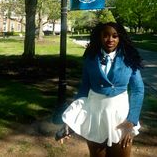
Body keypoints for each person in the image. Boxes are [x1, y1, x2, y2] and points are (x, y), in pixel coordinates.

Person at [61, 22, 144, 157]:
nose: (110, 39)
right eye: (106, 35)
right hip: (95, 115)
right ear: (99, 37)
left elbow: (138, 90)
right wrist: (71, 121)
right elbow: (84, 90)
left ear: (120, 38)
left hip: (121, 117)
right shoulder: (90, 58)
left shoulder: (129, 58)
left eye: (115, 36)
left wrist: (132, 120)